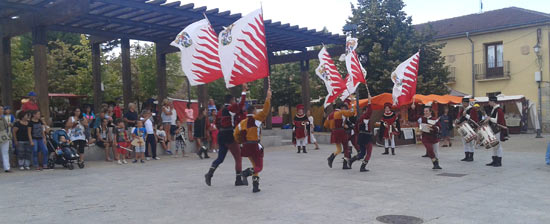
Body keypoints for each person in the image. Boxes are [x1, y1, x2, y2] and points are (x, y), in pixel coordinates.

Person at [204, 84, 248, 186]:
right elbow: (241, 104)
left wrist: (221, 130)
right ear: (231, 100)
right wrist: (244, 91)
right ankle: (238, 179)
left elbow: (217, 123)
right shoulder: (231, 108)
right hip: (230, 135)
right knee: (238, 157)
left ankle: (210, 173)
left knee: (220, 158)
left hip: (221, 135)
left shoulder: (220, 111)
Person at [234, 87, 271, 193]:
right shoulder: (256, 119)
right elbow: (265, 111)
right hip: (255, 146)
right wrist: (268, 98)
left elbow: (236, 134)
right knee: (259, 167)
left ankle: (255, 186)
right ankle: (245, 173)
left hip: (246, 146)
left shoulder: (243, 122)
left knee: (255, 165)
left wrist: (241, 141)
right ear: (254, 111)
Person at [325, 102, 355, 169]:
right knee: (346, 148)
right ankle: (344, 165)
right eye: (345, 108)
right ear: (341, 108)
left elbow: (325, 125)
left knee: (339, 149)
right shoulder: (341, 112)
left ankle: (331, 158)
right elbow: (352, 113)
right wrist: (353, 105)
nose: (346, 109)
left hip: (334, 132)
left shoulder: (330, 115)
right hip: (341, 131)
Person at [412, 104, 442, 169]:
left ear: (430, 112)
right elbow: (414, 117)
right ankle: (435, 163)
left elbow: (439, 128)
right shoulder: (421, 119)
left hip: (434, 137)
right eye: (424, 111)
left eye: (427, 111)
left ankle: (437, 164)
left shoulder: (435, 119)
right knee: (429, 149)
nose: (425, 112)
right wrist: (413, 109)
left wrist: (432, 127)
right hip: (425, 137)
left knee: (435, 151)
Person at [349, 92, 373, 172]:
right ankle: (363, 167)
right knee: (369, 152)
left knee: (362, 153)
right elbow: (370, 111)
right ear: (364, 111)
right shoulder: (366, 116)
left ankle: (351, 160)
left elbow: (355, 130)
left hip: (360, 137)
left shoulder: (359, 119)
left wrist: (358, 137)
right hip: (366, 136)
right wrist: (369, 101)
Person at [484, 96, 508, 167]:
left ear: (492, 102)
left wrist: (489, 118)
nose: (488, 103)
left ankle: (499, 162)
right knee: (494, 145)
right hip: (493, 129)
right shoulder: (494, 109)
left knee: (498, 146)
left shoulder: (499, 110)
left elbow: (497, 121)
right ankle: (494, 161)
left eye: (489, 102)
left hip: (497, 130)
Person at [455, 97, 480, 161]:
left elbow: (474, 119)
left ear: (467, 103)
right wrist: (457, 121)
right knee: (465, 142)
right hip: (463, 128)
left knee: (470, 143)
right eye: (463, 103)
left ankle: (471, 157)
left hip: (470, 128)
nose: (463, 104)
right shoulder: (461, 110)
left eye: (465, 103)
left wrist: (465, 115)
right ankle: (466, 156)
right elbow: (459, 118)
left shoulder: (472, 109)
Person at [0, 106, 12, 172]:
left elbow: (6, 126)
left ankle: (7, 167)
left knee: (5, 151)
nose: (2, 110)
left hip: (3, 134)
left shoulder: (3, 117)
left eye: (2, 109)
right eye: (1, 109)